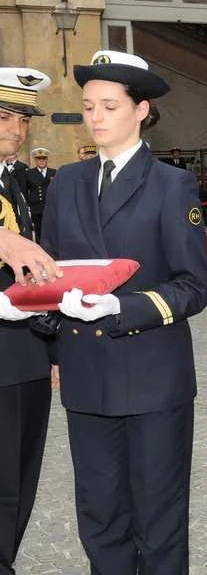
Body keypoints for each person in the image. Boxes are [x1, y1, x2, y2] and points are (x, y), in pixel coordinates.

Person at [41, 50, 207, 572]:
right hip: (86, 375)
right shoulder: (66, 182)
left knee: (158, 519)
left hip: (151, 378)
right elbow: (49, 273)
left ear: (142, 110)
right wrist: (50, 326)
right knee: (100, 515)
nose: (95, 117)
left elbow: (193, 287)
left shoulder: (170, 185)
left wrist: (121, 305)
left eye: (109, 106)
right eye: (89, 106)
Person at [0, 67, 57, 575]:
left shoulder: (16, 181)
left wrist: (53, 348)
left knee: (21, 473)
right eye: (3, 116)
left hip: (27, 349)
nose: (15, 130)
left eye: (21, 119)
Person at [23, 147, 54, 240]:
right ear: (35, 160)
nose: (41, 161)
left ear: (47, 159)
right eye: (38, 159)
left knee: (51, 229)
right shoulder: (29, 173)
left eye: (43, 159)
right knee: (38, 230)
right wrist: (27, 205)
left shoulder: (54, 172)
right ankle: (40, 248)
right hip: (36, 207)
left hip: (50, 206)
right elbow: (25, 190)